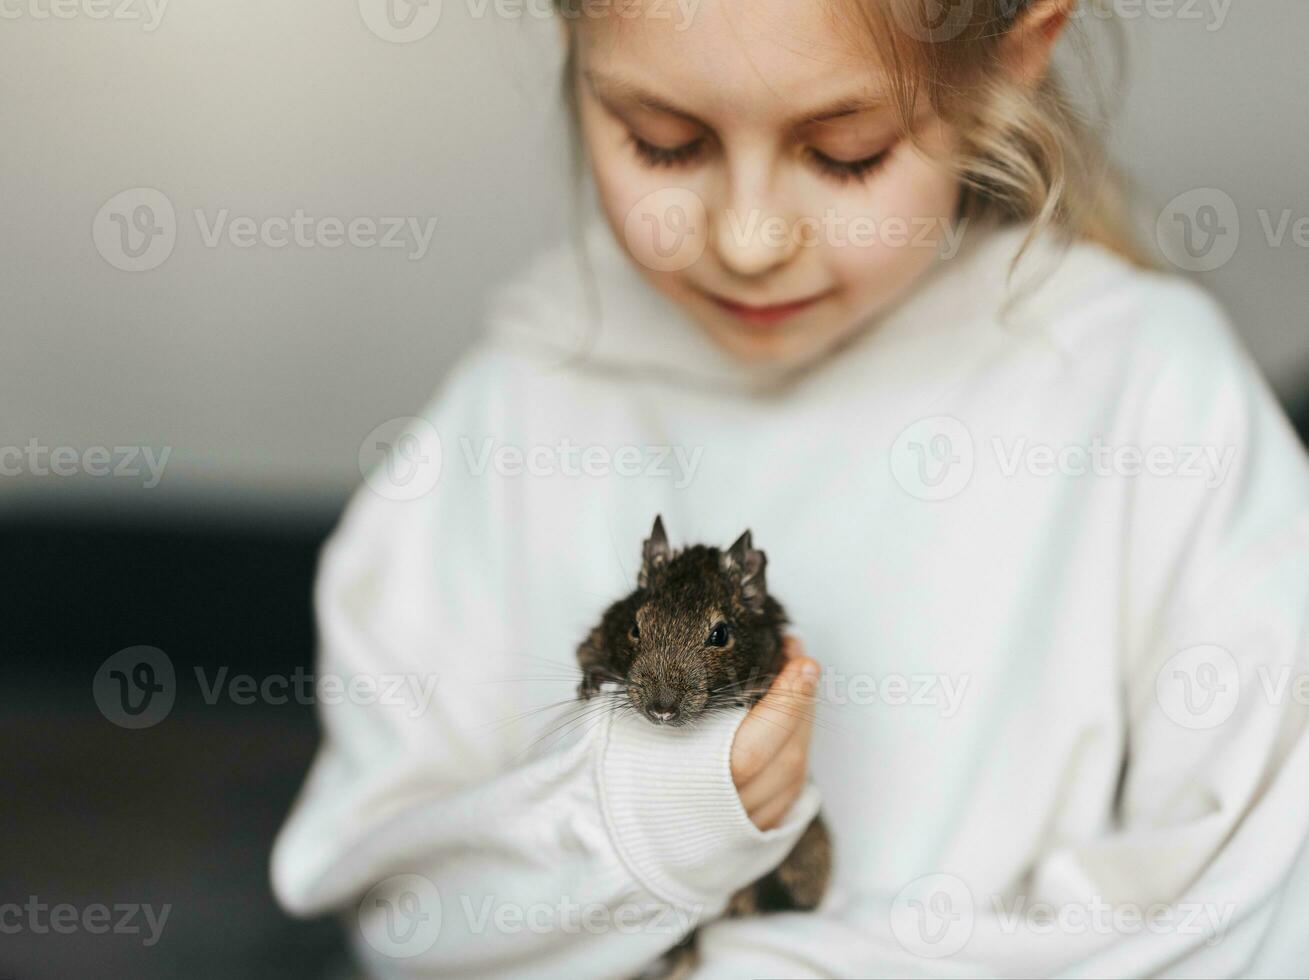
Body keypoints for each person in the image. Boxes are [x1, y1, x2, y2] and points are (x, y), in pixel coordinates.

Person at [271, 0, 1309, 975]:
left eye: (844, 154)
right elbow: (400, 911)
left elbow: (1249, 908)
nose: (747, 239)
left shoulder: (1150, 397)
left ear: (1011, 54)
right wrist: (642, 816)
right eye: (664, 140)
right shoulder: (517, 408)